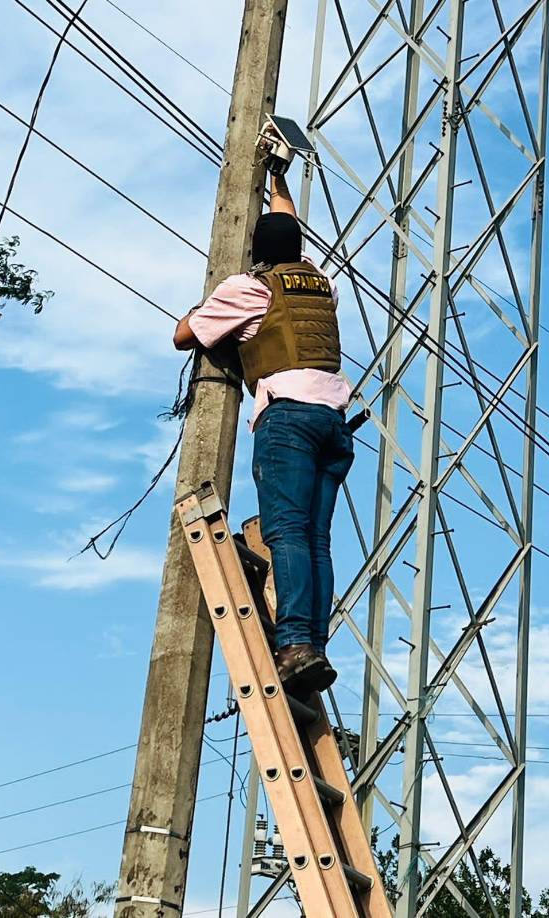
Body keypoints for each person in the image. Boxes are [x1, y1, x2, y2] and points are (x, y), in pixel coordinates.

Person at [173, 170, 353, 695]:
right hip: (334, 424)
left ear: (256, 252)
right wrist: (279, 179)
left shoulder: (248, 288)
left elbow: (184, 336)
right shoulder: (321, 285)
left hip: (288, 420)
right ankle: (312, 645)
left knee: (288, 534)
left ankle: (296, 644)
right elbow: (288, 227)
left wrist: (197, 310)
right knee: (316, 539)